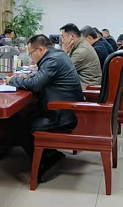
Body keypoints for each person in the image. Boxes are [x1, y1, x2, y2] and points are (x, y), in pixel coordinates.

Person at [8, 34, 85, 183]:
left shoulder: (52, 60)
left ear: (40, 49)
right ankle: (50, 154)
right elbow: (42, 77)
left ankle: (45, 160)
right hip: (67, 109)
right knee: (25, 114)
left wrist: (13, 80)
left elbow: (36, 84)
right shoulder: (57, 55)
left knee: (18, 123)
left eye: (31, 53)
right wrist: (30, 78)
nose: (31, 58)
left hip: (63, 114)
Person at [61, 23, 102, 88]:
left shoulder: (81, 51)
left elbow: (61, 71)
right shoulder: (81, 44)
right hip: (84, 82)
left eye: (63, 37)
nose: (62, 41)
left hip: (87, 86)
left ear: (72, 37)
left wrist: (64, 51)